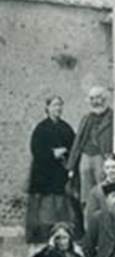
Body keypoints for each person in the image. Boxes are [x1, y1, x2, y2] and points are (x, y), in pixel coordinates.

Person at [26, 95, 77, 243]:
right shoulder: (41, 128)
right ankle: (42, 236)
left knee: (61, 205)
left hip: (60, 173)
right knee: (45, 207)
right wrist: (52, 153)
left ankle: (61, 235)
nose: (58, 108)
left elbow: (73, 147)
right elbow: (35, 149)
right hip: (43, 174)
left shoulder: (66, 127)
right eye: (54, 105)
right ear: (47, 108)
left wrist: (68, 160)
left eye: (60, 105)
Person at [66, 86, 113, 208]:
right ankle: (88, 220)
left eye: (98, 98)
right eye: (92, 98)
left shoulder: (113, 117)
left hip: (102, 156)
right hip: (85, 156)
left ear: (105, 99)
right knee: (86, 194)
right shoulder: (86, 118)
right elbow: (78, 141)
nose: (95, 102)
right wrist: (71, 166)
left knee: (104, 189)